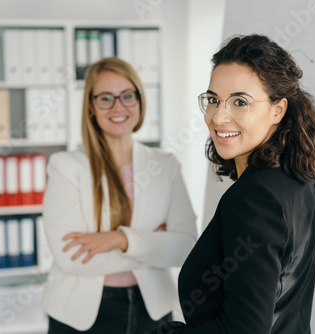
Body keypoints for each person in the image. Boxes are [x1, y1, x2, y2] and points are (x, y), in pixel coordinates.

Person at [151, 34, 315, 333]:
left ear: (277, 109)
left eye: (239, 102)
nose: (219, 117)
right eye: (213, 100)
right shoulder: (296, 180)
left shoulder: (253, 198)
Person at [41, 57, 197, 334]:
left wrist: (119, 239)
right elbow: (71, 257)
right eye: (105, 98)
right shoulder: (66, 167)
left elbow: (185, 247)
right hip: (81, 315)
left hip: (152, 309)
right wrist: (154, 244)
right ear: (91, 105)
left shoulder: (165, 165)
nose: (118, 107)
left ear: (139, 99)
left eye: (127, 95)